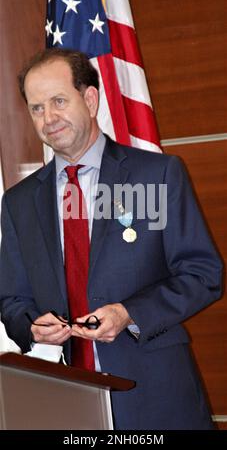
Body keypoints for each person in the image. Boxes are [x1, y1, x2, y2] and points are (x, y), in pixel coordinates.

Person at [0, 48, 222, 430]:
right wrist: (31, 325)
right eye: (37, 108)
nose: (49, 118)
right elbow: (12, 300)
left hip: (154, 395)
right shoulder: (20, 202)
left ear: (89, 99)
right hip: (63, 400)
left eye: (58, 101)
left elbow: (203, 274)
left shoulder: (155, 175)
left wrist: (128, 313)